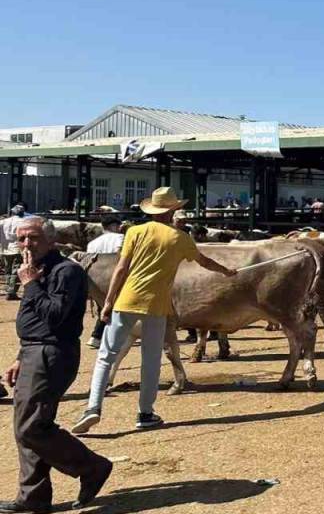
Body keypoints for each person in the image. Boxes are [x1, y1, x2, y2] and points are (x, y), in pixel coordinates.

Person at [72, 187, 237, 434]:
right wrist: (227, 272)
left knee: (106, 355)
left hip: (126, 301)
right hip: (157, 306)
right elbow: (204, 262)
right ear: (173, 211)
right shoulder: (180, 238)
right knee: (151, 360)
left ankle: (93, 408)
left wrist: (108, 303)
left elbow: (121, 269)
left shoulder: (134, 232)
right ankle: (145, 413)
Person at [2, 217, 114, 512]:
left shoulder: (66, 271)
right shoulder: (35, 270)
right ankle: (33, 498)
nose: (26, 244)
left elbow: (56, 316)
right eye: (22, 238)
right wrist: (20, 356)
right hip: (33, 352)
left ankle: (92, 467)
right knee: (26, 426)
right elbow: (34, 321)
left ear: (51, 240)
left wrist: (31, 284)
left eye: (34, 238)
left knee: (31, 427)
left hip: (52, 355)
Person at [83, 216, 125, 350]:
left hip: (95, 278)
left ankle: (98, 336)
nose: (120, 228)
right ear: (114, 225)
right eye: (118, 225)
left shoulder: (93, 243)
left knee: (103, 306)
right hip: (114, 275)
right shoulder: (121, 239)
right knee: (113, 307)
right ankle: (98, 336)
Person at [2, 205, 29, 300]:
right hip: (17, 249)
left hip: (4, 250)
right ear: (22, 213)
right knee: (16, 270)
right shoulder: (23, 222)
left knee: (7, 270)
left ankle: (9, 289)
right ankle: (11, 292)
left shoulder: (3, 222)